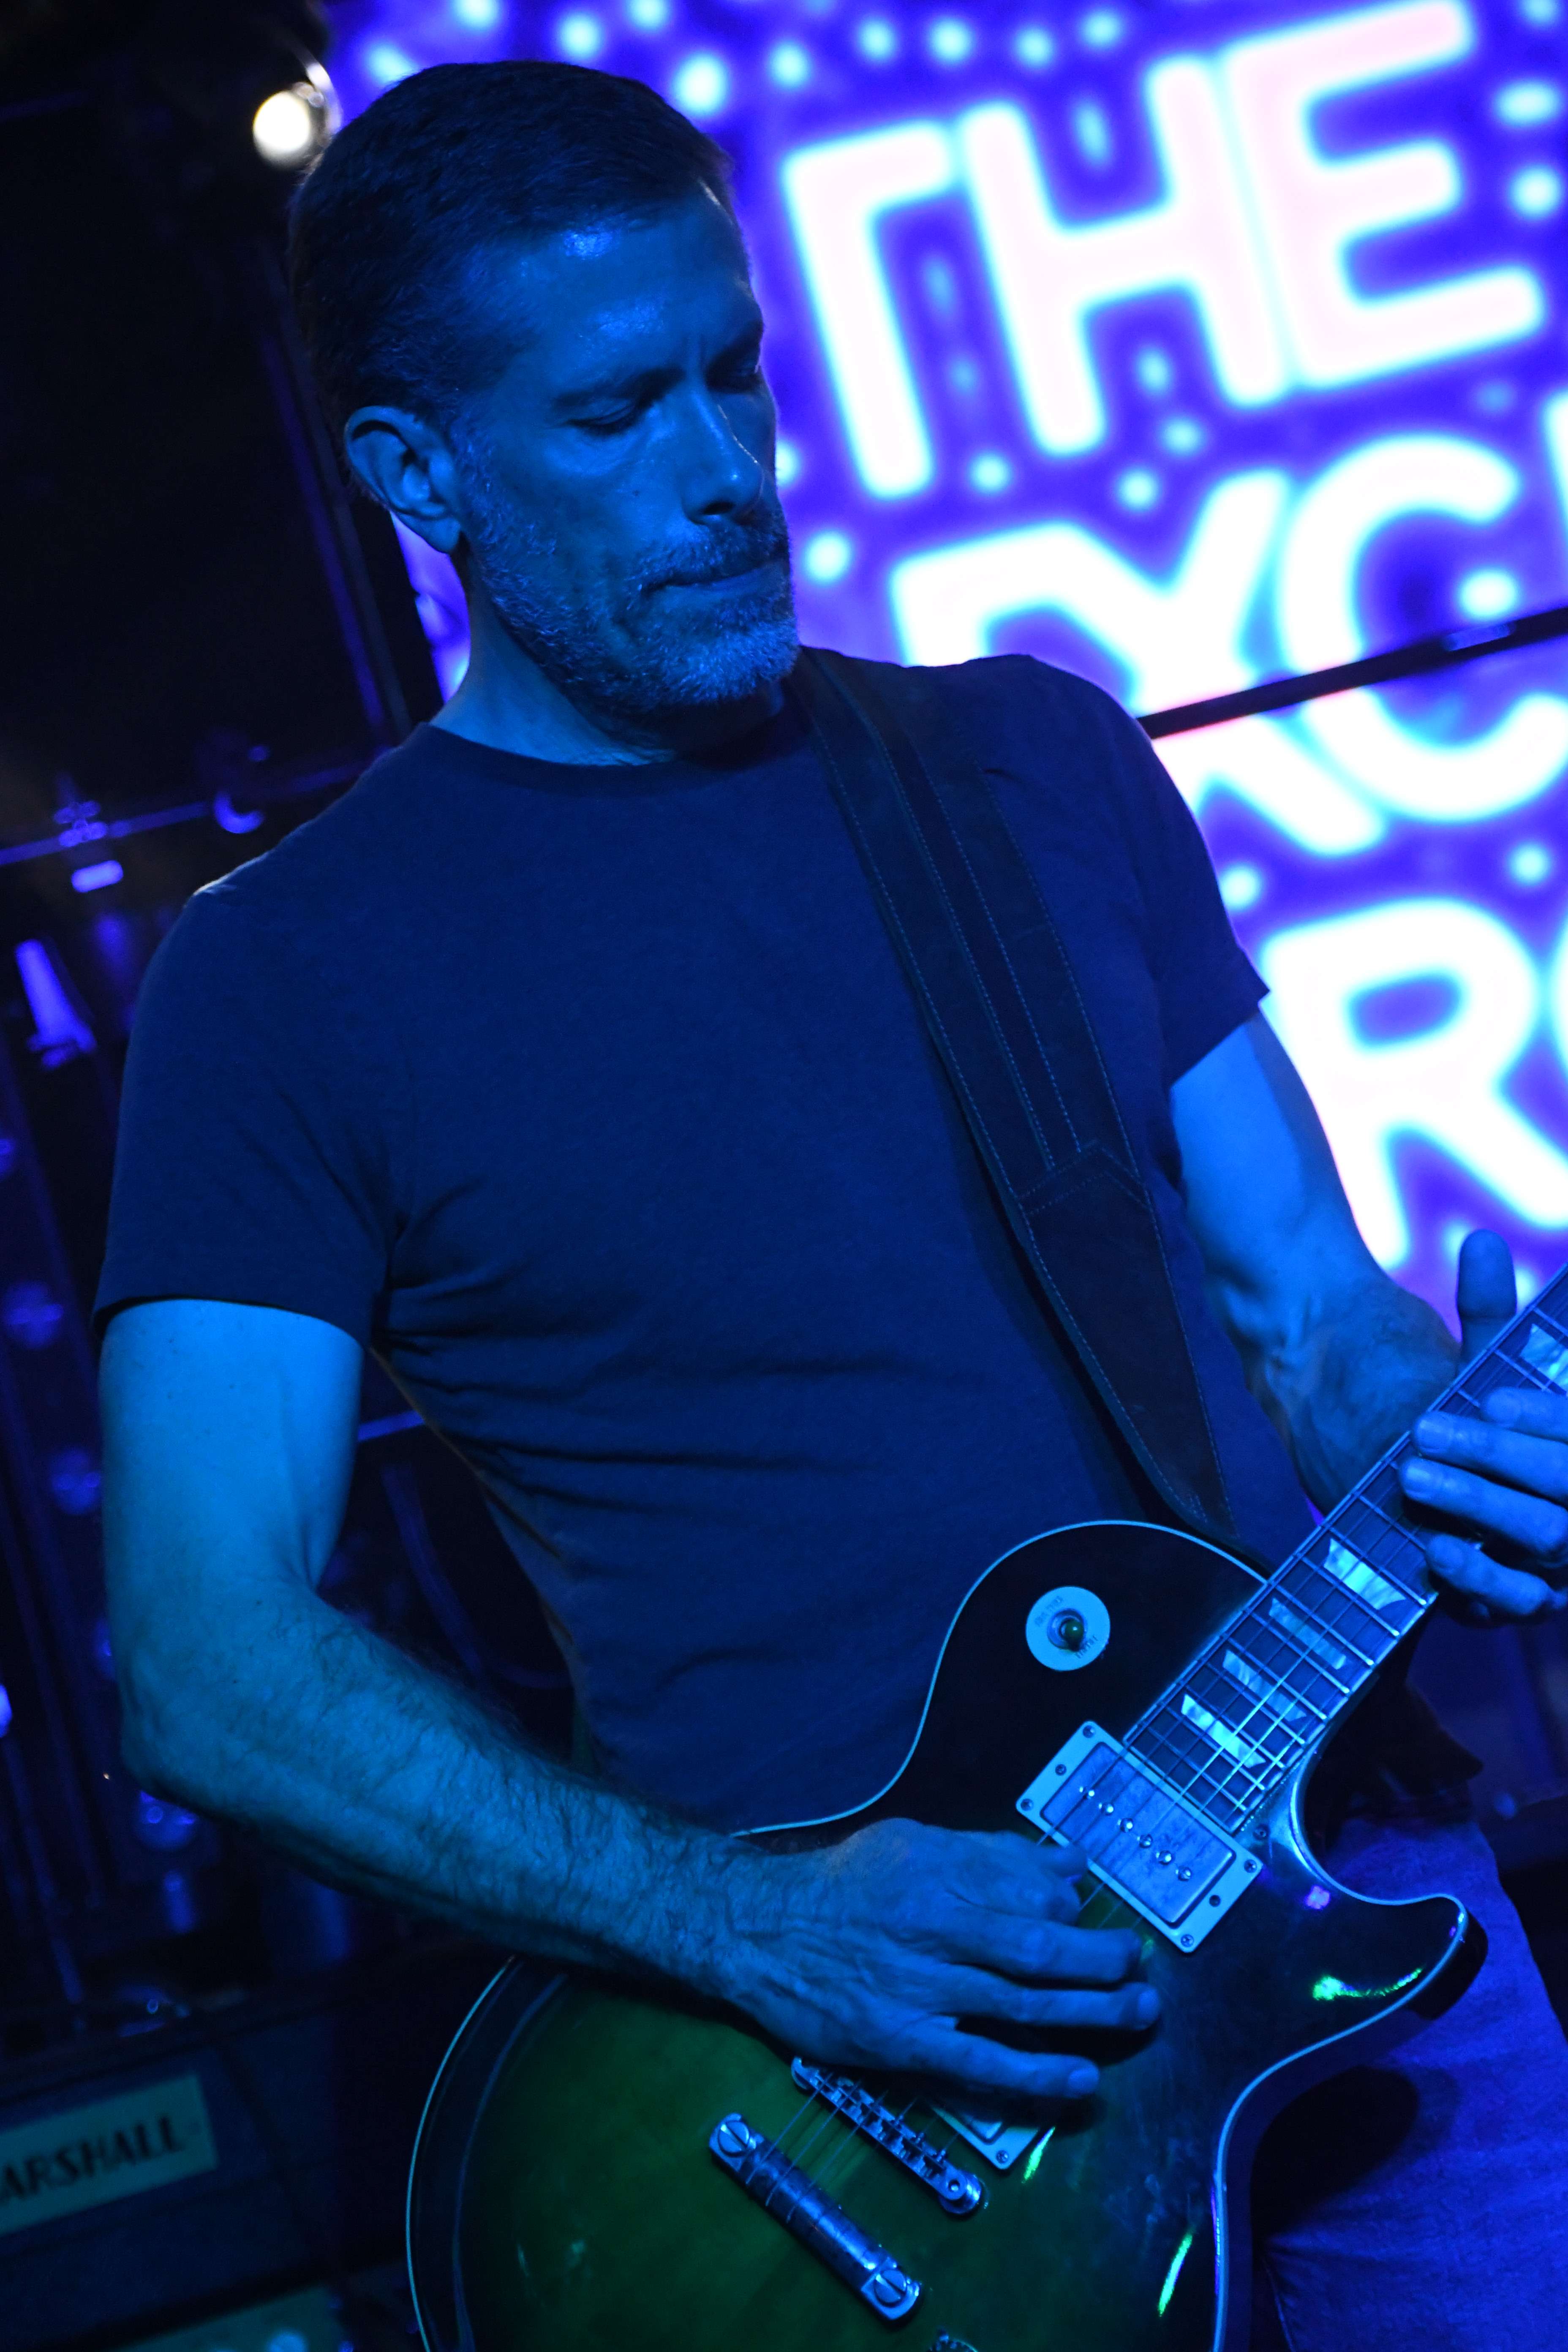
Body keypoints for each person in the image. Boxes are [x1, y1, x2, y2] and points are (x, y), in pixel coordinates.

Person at [97, 61, 1568, 2349]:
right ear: (417, 475)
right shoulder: (286, 978)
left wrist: (1443, 1419)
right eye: (616, 415)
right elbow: (205, 1657)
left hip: (1341, 1881)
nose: (723, 470)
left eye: (736, 374)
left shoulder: (1030, 759)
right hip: (836, 2068)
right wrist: (755, 1927)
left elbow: (1314, 1312)